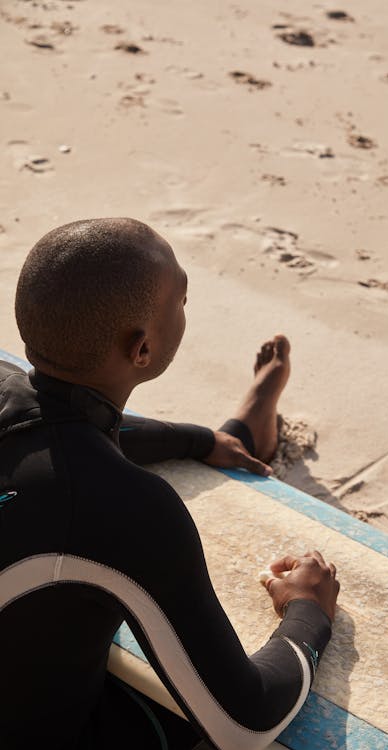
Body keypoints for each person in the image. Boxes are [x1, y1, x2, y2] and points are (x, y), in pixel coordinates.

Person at [0, 218, 339, 750]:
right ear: (141, 350)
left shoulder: (7, 382)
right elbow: (243, 722)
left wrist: (197, 439)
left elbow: (60, 430)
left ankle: (246, 431)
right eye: (182, 298)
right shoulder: (131, 509)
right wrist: (309, 612)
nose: (186, 305)